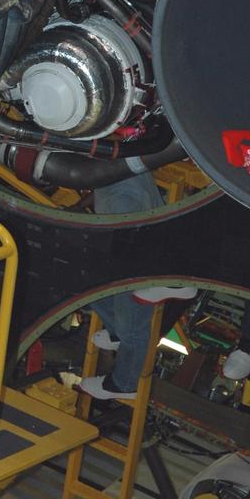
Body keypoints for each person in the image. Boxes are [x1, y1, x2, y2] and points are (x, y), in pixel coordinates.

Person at [79, 172, 196, 401]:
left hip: (139, 256)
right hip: (123, 210)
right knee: (93, 286)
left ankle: (125, 383)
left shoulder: (124, 196)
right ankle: (118, 333)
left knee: (131, 319)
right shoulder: (118, 176)